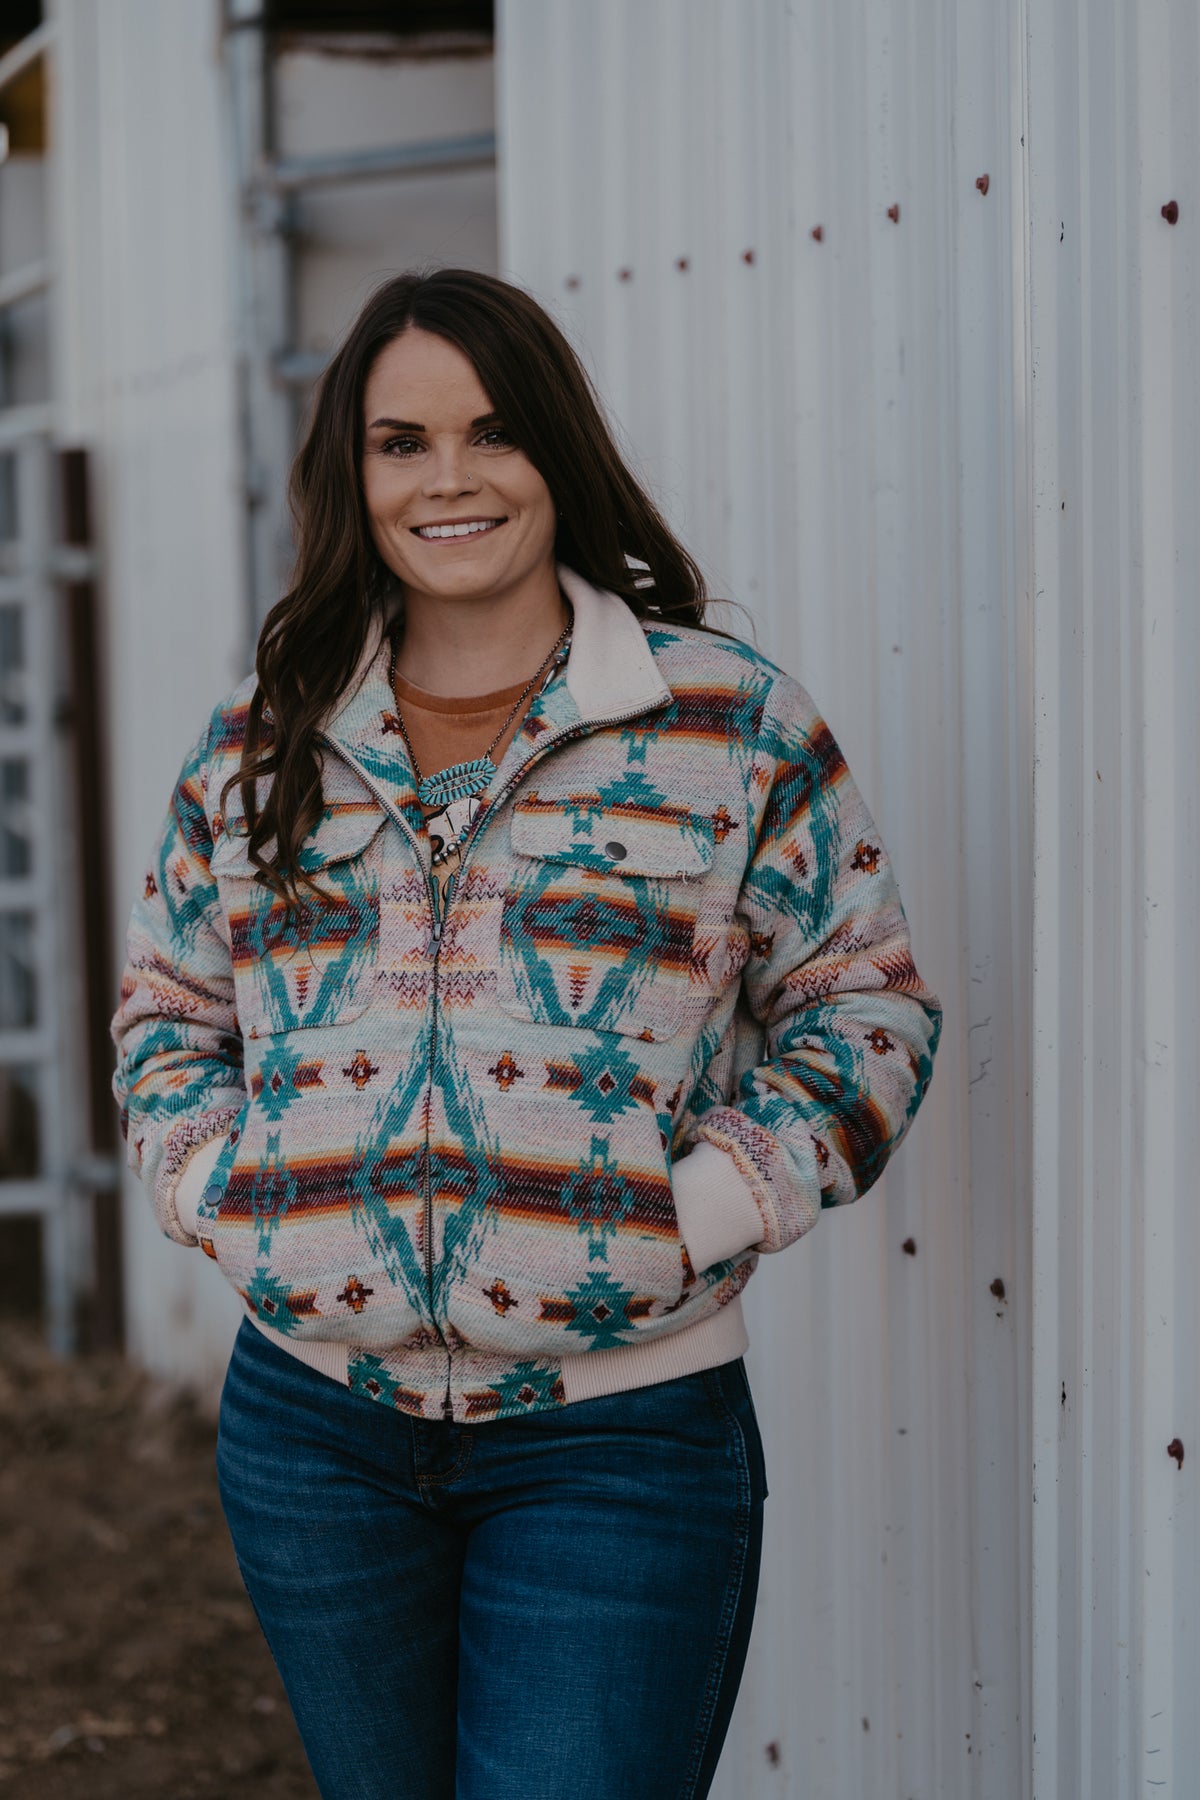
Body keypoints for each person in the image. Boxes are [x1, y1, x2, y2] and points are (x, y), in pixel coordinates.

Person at [111, 267, 941, 1800]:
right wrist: (233, 1201)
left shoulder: (723, 723)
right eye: (402, 441)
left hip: (618, 1442)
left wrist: (696, 1210)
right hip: (315, 1437)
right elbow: (169, 1014)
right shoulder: (265, 736)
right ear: (352, 474)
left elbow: (865, 998)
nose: (450, 478)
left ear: (556, 448)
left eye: (491, 432)